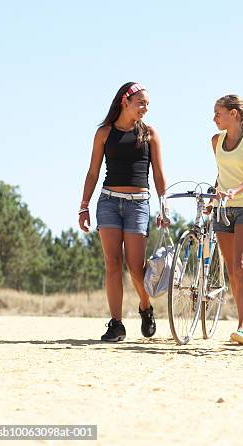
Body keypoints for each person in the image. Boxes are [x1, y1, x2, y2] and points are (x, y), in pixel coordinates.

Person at [79, 82, 169, 342]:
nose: (145, 108)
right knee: (113, 264)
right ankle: (116, 324)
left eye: (147, 104)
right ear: (125, 102)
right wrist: (83, 206)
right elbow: (93, 172)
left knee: (135, 268)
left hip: (138, 204)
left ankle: (145, 306)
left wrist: (164, 206)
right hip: (108, 202)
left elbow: (159, 174)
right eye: (140, 102)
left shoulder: (149, 133)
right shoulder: (104, 133)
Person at [211, 95, 243, 345]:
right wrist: (214, 194)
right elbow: (221, 174)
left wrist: (235, 191)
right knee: (231, 268)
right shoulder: (215, 141)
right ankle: (242, 320)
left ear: (233, 114)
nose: (214, 118)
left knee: (241, 264)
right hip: (222, 209)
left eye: (218, 113)